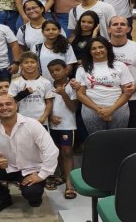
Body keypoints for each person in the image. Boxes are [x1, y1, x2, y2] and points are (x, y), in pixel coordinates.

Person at [0, 94, 59, 214]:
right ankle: (3, 198)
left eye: (8, 104)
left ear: (16, 106)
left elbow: (51, 151)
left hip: (31, 169)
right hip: (8, 168)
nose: (4, 107)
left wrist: (41, 175)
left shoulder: (32, 125)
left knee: (32, 194)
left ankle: (33, 195)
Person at [74, 36, 134, 134]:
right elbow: (80, 94)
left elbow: (127, 92)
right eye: (93, 48)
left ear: (107, 48)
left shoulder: (120, 66)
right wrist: (98, 110)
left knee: (118, 139)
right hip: (92, 111)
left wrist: (111, 110)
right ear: (89, 51)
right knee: (97, 140)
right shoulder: (82, 68)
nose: (97, 50)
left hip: (118, 110)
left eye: (101, 47)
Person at [108, 16, 136, 128]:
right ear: (109, 29)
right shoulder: (101, 48)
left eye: (123, 24)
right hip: (109, 99)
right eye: (115, 24)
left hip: (134, 98)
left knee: (135, 134)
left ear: (128, 29)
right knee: (113, 135)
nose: (119, 27)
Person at [47, 59, 78, 200]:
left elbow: (74, 107)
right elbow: (44, 105)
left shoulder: (72, 85)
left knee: (67, 152)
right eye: (51, 71)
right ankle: (63, 176)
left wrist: (64, 94)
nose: (54, 73)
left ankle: (70, 185)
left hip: (68, 125)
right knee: (57, 151)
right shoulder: (48, 85)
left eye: (57, 70)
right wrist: (50, 117)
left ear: (66, 69)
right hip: (52, 125)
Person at [9, 52, 54, 126]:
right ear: (21, 65)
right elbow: (11, 102)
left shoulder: (46, 82)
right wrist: (23, 94)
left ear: (37, 64)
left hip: (41, 121)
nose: (29, 65)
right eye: (26, 62)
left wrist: (43, 118)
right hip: (21, 121)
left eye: (32, 62)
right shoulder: (15, 82)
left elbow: (49, 103)